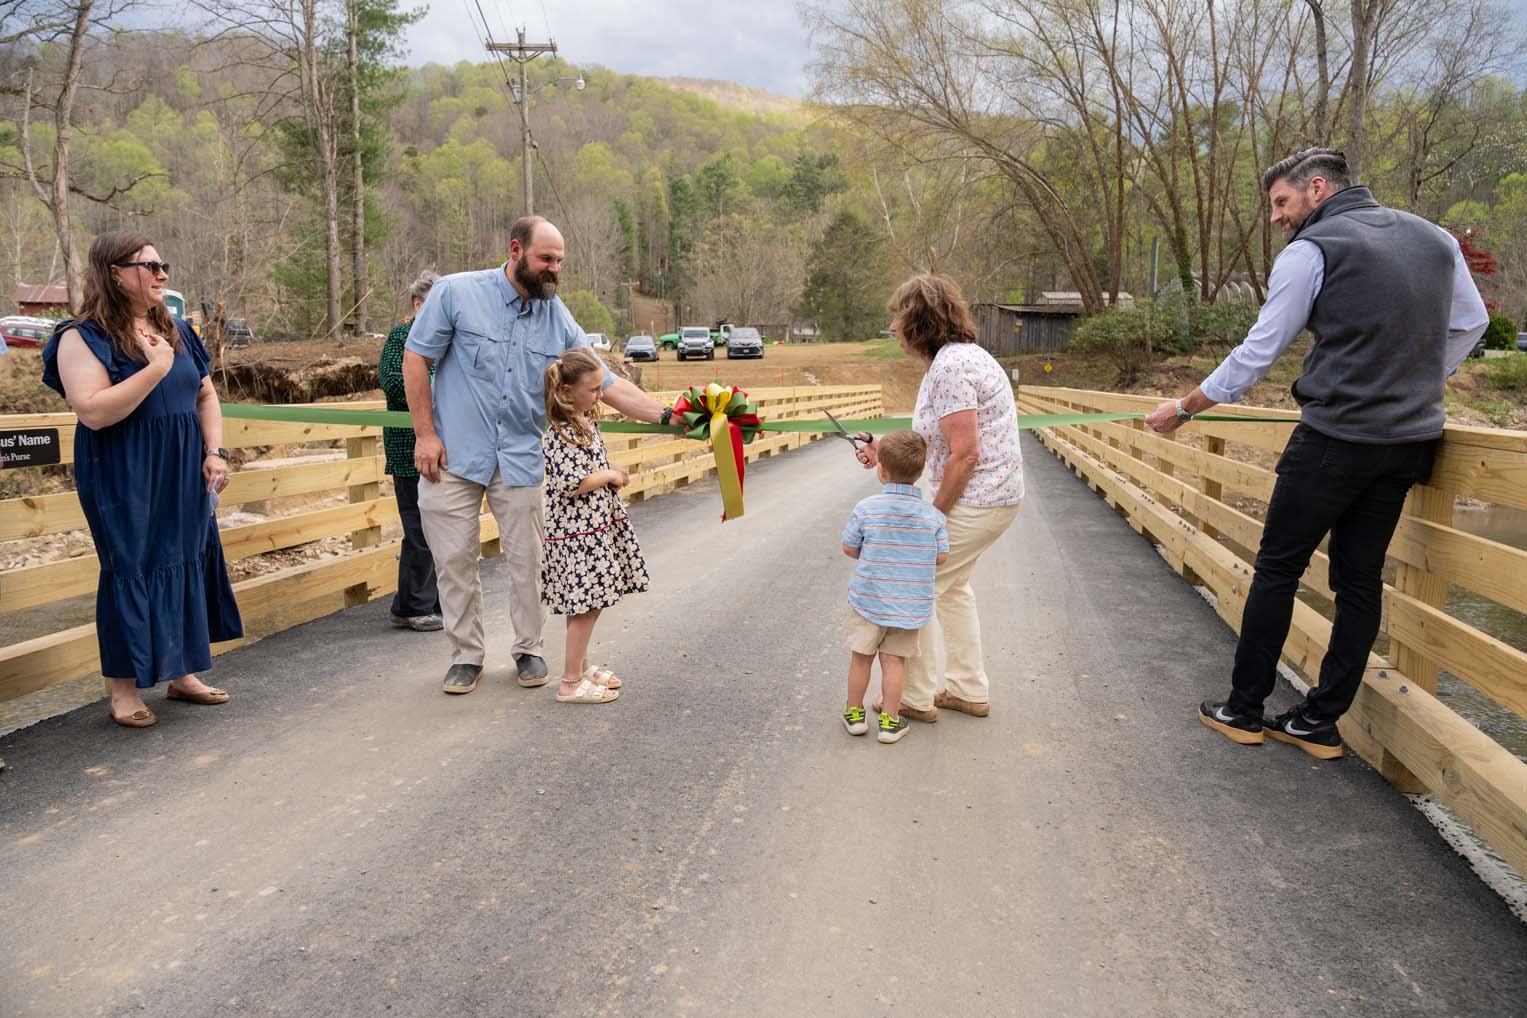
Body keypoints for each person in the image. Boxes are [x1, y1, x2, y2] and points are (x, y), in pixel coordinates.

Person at [1144, 147, 1489, 760]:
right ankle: (1318, 722)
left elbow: (1260, 350)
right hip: (1408, 442)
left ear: (1318, 189)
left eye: (1281, 202)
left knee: (1278, 567)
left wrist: (1186, 407)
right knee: (1359, 580)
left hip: (1336, 439)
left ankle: (1244, 710)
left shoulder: (1312, 250)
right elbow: (1472, 322)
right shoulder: (1435, 239)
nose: (1276, 217)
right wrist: (1415, 379)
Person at [401, 215, 675, 696]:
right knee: (454, 560)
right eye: (546, 259)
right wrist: (425, 434)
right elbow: (416, 357)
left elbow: (605, 383)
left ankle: (529, 648)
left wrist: (672, 417)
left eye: (560, 261)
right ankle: (466, 656)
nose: (554, 269)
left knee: (530, 561)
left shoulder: (556, 316)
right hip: (453, 454)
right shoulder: (456, 293)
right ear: (515, 251)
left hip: (520, 457)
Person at [41, 231, 243, 728]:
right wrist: (155, 369)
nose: (162, 274)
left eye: (162, 264)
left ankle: (181, 672)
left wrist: (214, 451)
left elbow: (205, 395)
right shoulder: (80, 337)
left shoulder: (176, 328)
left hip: (183, 465)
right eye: (150, 266)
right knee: (130, 566)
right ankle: (124, 691)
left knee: (184, 558)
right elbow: (92, 412)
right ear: (115, 273)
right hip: (122, 469)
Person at [854, 274, 1025, 723]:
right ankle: (969, 689)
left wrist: (933, 517)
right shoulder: (959, 359)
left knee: (918, 586)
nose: (893, 327)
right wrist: (882, 449)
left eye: (898, 317)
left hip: (978, 498)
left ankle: (913, 696)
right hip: (994, 497)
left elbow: (965, 453)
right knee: (953, 589)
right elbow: (940, 440)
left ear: (918, 322)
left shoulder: (950, 368)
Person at [540, 348, 654, 704]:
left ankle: (582, 665)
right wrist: (607, 475)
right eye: (593, 390)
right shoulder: (560, 433)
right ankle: (570, 682)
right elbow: (571, 483)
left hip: (594, 527)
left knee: (589, 602)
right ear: (568, 391)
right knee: (587, 605)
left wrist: (611, 470)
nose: (600, 395)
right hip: (577, 534)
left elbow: (591, 467)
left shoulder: (584, 424)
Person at [841, 430, 948, 744]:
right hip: (908, 606)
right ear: (920, 471)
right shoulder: (934, 517)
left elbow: (849, 547)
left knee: (861, 658)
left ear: (881, 469)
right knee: (894, 662)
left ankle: (854, 715)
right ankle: (890, 722)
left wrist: (872, 552)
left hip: (868, 601)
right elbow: (941, 557)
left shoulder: (866, 508)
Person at [377, 270, 442, 632]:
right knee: (418, 527)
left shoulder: (443, 339)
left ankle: (419, 601)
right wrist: (435, 389)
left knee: (438, 525)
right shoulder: (402, 336)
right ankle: (414, 605)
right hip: (408, 447)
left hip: (441, 446)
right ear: (418, 305)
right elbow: (394, 382)